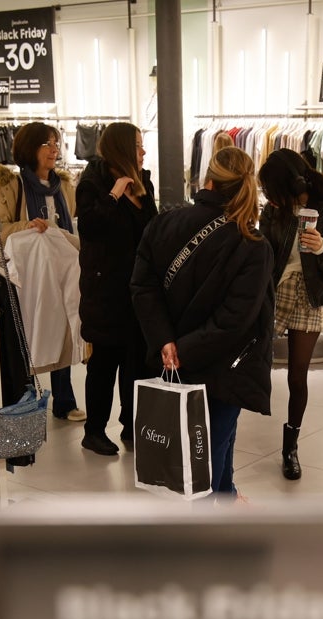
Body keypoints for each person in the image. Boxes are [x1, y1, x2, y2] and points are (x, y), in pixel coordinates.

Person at [131, 146, 274, 500]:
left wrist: (166, 341)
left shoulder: (163, 223)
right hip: (223, 370)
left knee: (194, 458)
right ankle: (210, 535)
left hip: (171, 364)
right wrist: (184, 348)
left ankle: (222, 505)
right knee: (211, 456)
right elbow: (234, 320)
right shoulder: (252, 244)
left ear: (207, 179)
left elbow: (142, 287)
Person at [258, 148, 323, 481]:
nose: (269, 196)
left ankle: (290, 448)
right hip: (275, 292)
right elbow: (262, 255)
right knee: (248, 361)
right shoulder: (274, 211)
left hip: (312, 296)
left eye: (272, 188)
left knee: (297, 377)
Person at [0, 121, 85, 422]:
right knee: (30, 333)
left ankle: (64, 400)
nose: (54, 149)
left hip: (60, 271)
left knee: (63, 328)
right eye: (46, 144)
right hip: (26, 277)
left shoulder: (65, 187)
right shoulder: (10, 189)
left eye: (56, 143)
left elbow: (72, 225)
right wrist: (26, 227)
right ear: (30, 148)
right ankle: (29, 400)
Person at [76, 121, 158, 456]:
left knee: (136, 363)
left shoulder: (144, 183)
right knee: (104, 365)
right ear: (123, 148)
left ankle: (132, 426)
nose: (143, 151)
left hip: (137, 291)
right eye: (138, 145)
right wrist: (114, 193)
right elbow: (92, 228)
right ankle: (93, 431)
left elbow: (152, 230)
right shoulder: (93, 181)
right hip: (105, 293)